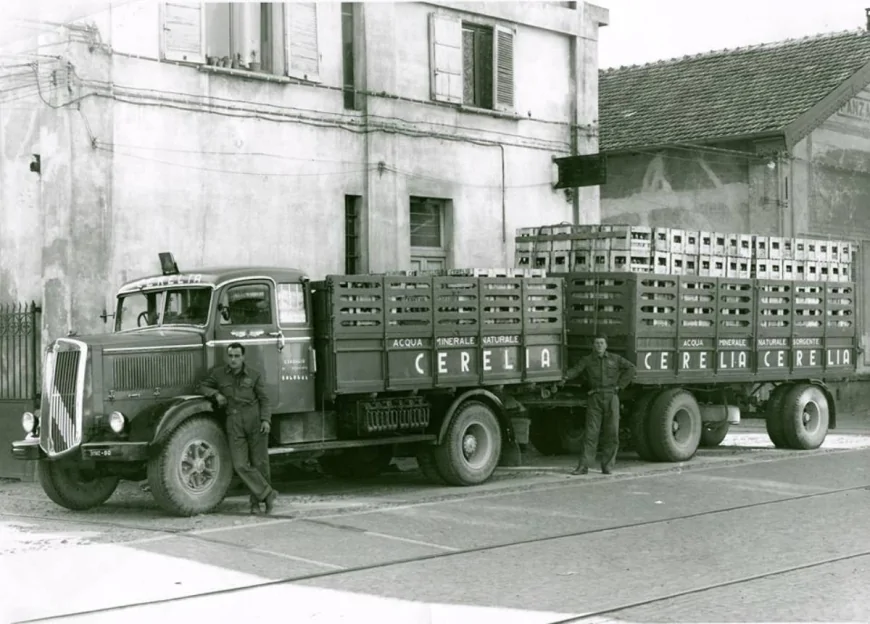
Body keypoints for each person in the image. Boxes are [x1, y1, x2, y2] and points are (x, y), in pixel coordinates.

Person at [199, 343, 277, 514]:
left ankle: (257, 503)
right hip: (234, 422)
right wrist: (216, 394)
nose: (233, 359)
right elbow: (203, 386)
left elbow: (264, 400)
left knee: (260, 463)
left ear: (243, 357)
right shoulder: (219, 374)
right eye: (231, 356)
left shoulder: (254, 376)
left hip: (255, 420)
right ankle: (268, 494)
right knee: (240, 464)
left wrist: (266, 420)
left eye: (236, 356)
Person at [564, 335, 636, 476]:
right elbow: (576, 370)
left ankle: (607, 466)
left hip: (611, 397)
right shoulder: (587, 360)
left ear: (606, 345)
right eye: (596, 343)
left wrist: (620, 386)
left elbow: (631, 368)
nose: (599, 345)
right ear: (593, 345)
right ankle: (583, 466)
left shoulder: (615, 359)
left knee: (612, 433)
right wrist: (564, 376)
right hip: (595, 397)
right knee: (591, 433)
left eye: (602, 343)